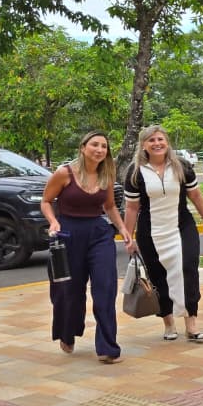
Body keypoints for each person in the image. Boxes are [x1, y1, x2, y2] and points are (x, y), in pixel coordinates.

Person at [41, 130, 135, 364]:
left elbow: (110, 206)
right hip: (68, 234)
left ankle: (107, 348)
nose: (100, 150)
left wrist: (122, 228)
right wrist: (53, 221)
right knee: (69, 291)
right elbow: (46, 201)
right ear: (83, 147)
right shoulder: (64, 173)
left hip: (99, 235)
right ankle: (67, 332)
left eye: (104, 146)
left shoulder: (106, 175)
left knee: (105, 289)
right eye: (95, 144)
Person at [123, 126, 203, 342]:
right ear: (143, 145)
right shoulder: (136, 172)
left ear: (167, 142)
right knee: (158, 276)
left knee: (188, 270)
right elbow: (131, 208)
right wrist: (128, 236)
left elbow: (195, 195)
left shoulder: (181, 166)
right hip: (151, 233)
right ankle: (168, 323)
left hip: (182, 227)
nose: (157, 143)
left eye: (160, 139)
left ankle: (191, 324)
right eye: (151, 140)